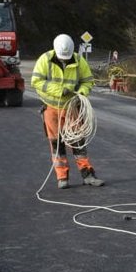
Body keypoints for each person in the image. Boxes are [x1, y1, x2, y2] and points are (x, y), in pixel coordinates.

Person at [31, 34, 104, 189]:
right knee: (56, 144)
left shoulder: (79, 61)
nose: (64, 59)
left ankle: (88, 175)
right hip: (51, 108)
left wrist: (82, 93)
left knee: (78, 141)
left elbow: (88, 81)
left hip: (72, 107)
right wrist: (59, 90)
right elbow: (36, 81)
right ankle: (62, 177)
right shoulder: (45, 60)